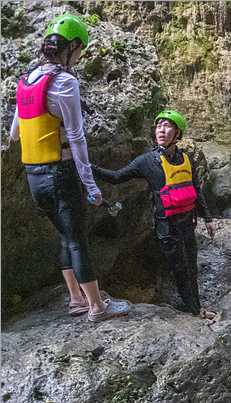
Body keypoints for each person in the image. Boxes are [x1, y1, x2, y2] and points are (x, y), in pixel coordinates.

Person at [11, 14, 130, 323]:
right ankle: (96, 306)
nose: (79, 58)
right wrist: (90, 184)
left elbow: (14, 133)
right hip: (60, 175)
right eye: (80, 52)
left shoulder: (25, 82)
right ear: (72, 47)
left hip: (34, 176)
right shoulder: (64, 82)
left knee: (65, 236)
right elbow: (76, 137)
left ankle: (76, 299)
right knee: (78, 239)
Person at [93, 109, 215, 319]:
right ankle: (195, 312)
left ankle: (198, 308)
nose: (161, 130)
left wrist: (208, 218)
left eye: (167, 126)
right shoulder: (147, 161)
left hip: (187, 223)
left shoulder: (186, 159)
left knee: (192, 268)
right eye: (159, 126)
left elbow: (196, 189)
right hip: (167, 226)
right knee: (181, 270)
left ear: (178, 134)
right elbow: (116, 177)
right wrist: (87, 167)